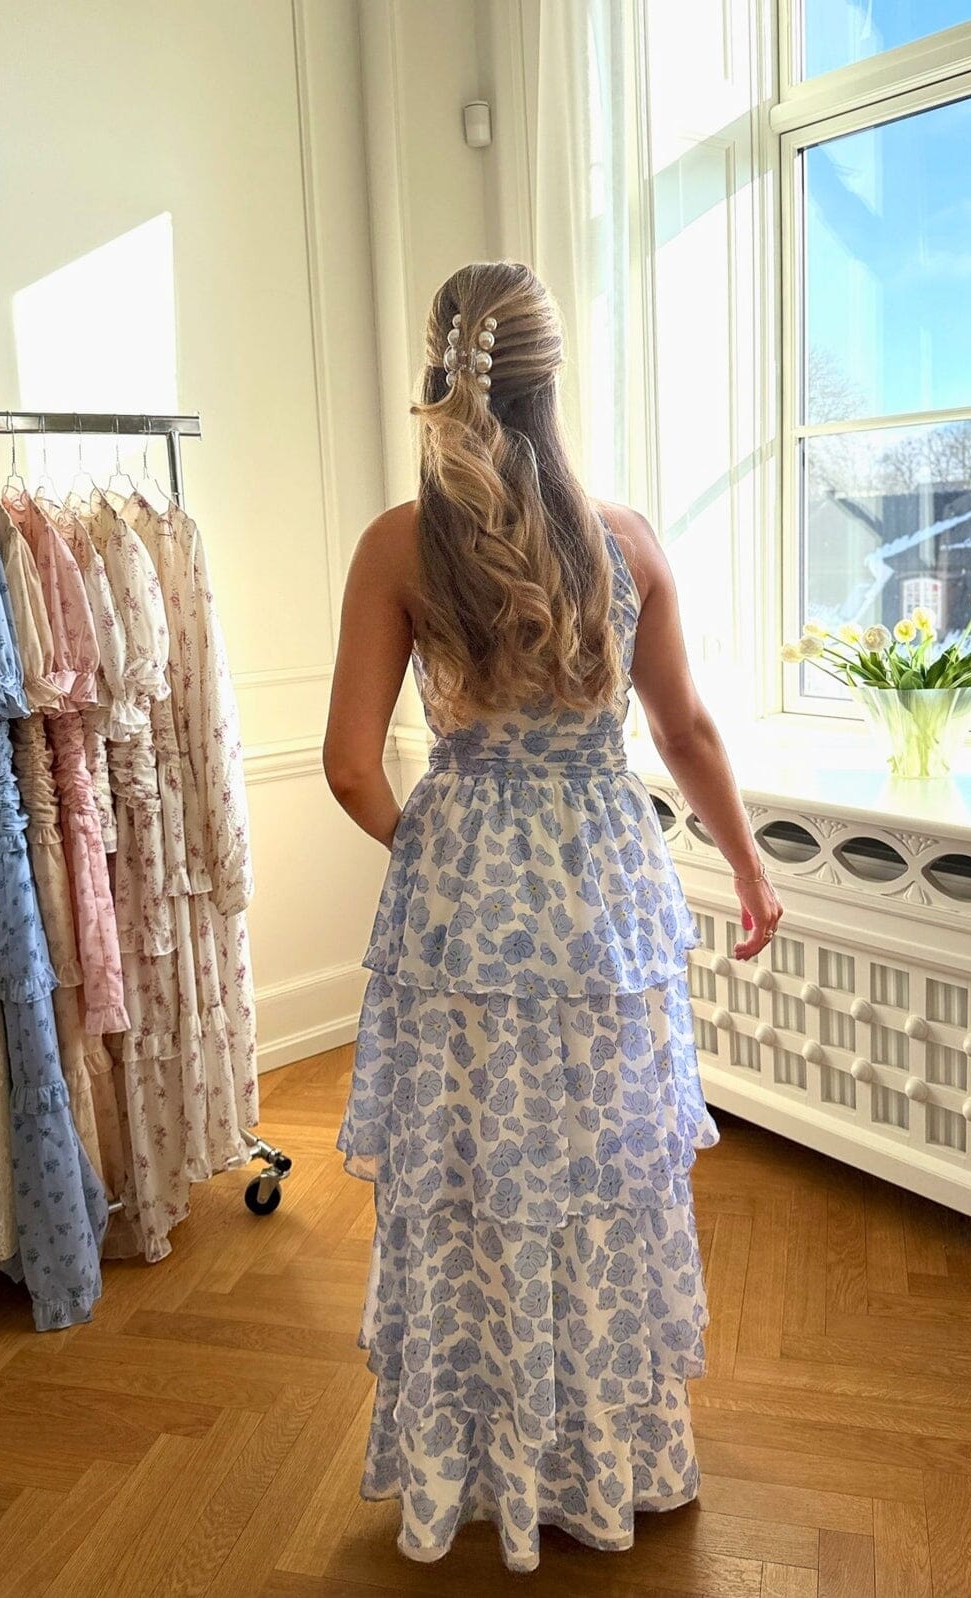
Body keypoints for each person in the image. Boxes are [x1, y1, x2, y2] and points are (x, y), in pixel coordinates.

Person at [323, 260, 783, 1573]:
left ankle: (479, 1463)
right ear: (551, 378)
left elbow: (350, 765)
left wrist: (438, 855)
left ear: (438, 371)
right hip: (603, 897)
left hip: (466, 910)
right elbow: (685, 733)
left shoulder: (397, 546)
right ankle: (611, 1455)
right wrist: (749, 869)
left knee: (476, 1176)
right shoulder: (625, 540)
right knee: (603, 1174)